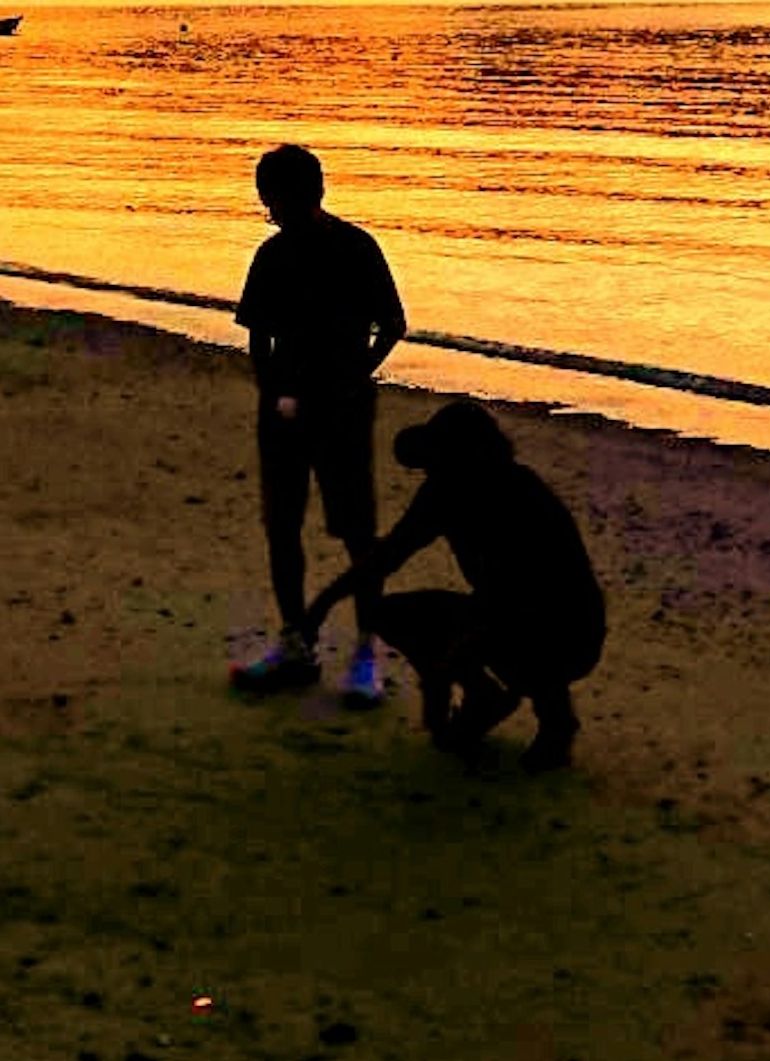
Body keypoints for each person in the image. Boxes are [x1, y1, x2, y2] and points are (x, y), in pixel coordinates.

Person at [299, 400, 605, 769]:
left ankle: (557, 724)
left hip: (567, 625)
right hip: (495, 610)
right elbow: (390, 554)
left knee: (525, 641)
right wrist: (324, 602)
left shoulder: (521, 494)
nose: (431, 469)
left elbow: (539, 597)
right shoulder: (441, 492)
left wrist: (454, 657)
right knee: (390, 614)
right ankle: (483, 697)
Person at [230, 143, 409, 701]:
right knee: (282, 526)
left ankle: (366, 653)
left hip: (345, 409)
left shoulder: (356, 248)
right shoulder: (273, 256)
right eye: (268, 200)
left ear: (308, 193)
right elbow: (258, 333)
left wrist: (354, 377)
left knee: (357, 531)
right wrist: (273, 391)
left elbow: (393, 324)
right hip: (284, 409)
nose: (272, 210)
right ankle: (294, 644)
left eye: (275, 199)